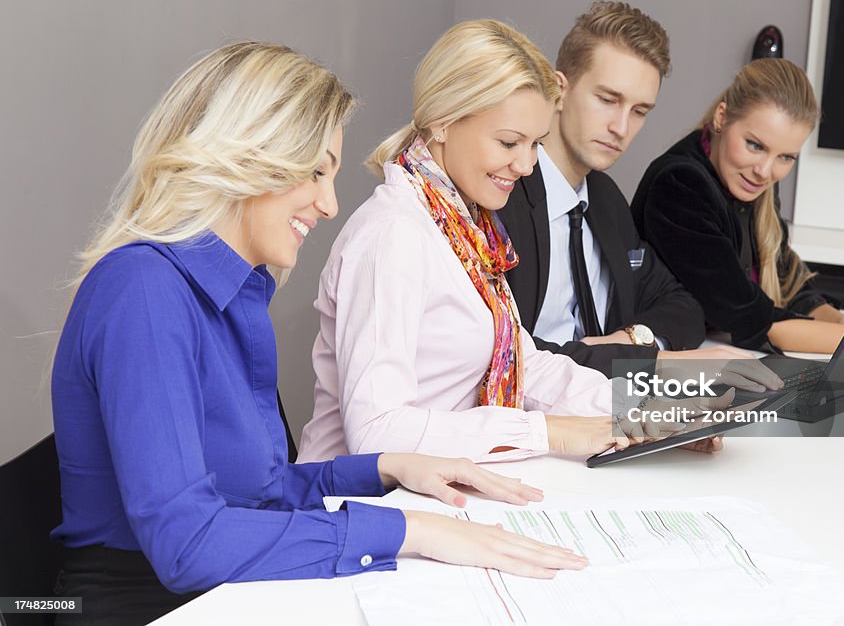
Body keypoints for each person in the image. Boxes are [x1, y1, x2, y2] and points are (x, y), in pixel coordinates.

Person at [50, 42, 588, 626]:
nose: (331, 204)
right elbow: (188, 544)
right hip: (140, 606)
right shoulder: (143, 290)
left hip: (213, 590)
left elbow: (260, 488)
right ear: (252, 155)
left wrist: (386, 470)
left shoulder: (237, 290)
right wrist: (405, 528)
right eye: (316, 171)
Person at [298, 20, 708, 466]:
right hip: (359, 507)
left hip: (435, 490)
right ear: (443, 122)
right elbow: (377, 433)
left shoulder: (467, 228)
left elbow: (525, 366)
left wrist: (647, 411)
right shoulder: (393, 235)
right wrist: (547, 432)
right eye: (510, 142)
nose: (528, 165)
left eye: (535, 144)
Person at [497, 1, 766, 379]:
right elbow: (509, 360)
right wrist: (655, 367)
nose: (621, 127)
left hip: (607, 411)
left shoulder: (604, 201)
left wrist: (630, 339)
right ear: (559, 90)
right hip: (529, 424)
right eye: (608, 100)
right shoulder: (501, 197)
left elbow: (684, 306)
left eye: (640, 111)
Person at [631, 58, 844, 356]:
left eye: (785, 157)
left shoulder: (750, 182)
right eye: (755, 145)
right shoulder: (679, 185)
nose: (766, 171)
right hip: (659, 364)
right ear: (721, 118)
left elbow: (792, 286)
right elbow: (747, 317)